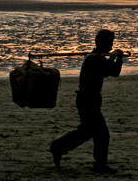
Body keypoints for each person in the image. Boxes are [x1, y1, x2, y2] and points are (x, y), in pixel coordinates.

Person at [50, 29, 125, 174]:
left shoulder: (98, 57)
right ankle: (99, 165)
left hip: (92, 99)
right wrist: (113, 58)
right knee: (101, 133)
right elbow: (106, 71)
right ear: (103, 43)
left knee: (87, 131)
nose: (110, 47)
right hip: (87, 99)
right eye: (109, 43)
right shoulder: (93, 58)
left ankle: (58, 148)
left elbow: (114, 72)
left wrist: (118, 58)